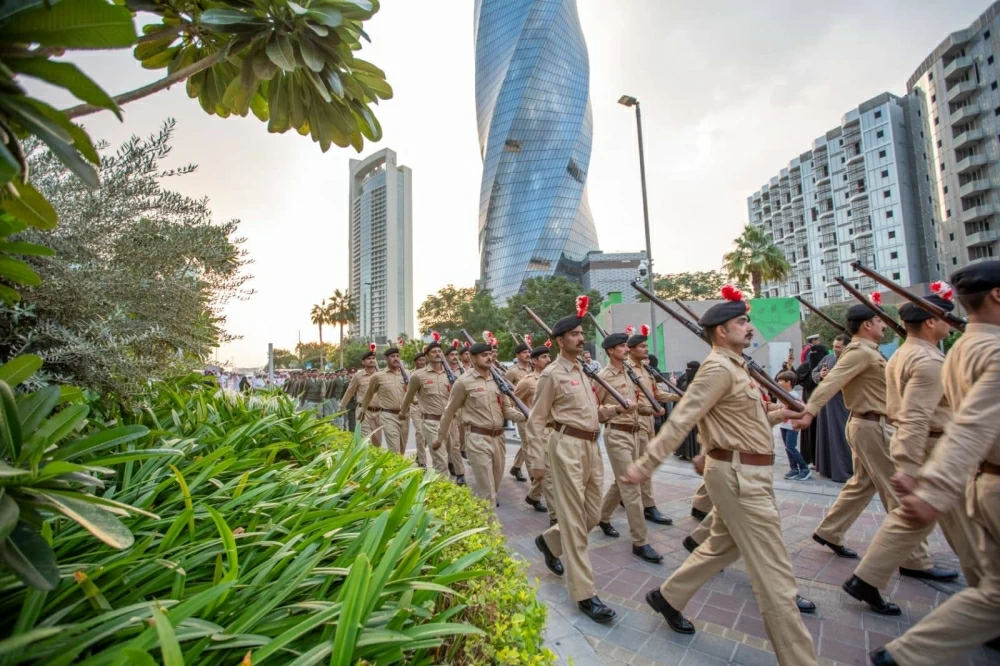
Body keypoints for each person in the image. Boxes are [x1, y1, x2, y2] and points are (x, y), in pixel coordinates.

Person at [620, 286, 818, 664]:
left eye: (748, 319)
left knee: (721, 546)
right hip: (739, 477)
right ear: (721, 331)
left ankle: (669, 596)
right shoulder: (716, 368)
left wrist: (782, 414)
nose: (749, 326)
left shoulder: (737, 367)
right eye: (741, 321)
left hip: (746, 473)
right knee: (775, 577)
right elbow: (683, 419)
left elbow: (744, 420)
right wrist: (644, 465)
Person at [871, 261, 1000, 666]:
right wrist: (918, 472)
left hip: (964, 465)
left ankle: (904, 651)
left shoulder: (960, 348)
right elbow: (965, 424)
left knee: (993, 591)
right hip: (948, 455)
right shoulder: (953, 354)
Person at [842, 289, 979, 617]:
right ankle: (987, 598)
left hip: (919, 442)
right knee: (968, 526)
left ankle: (867, 578)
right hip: (930, 444)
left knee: (915, 518)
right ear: (931, 321)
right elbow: (917, 415)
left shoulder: (904, 353)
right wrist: (907, 463)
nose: (950, 323)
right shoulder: (929, 360)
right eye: (944, 317)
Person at [791, 306, 952, 583]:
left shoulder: (869, 351)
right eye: (879, 321)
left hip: (870, 425)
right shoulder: (860, 352)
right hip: (872, 426)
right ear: (867, 325)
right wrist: (810, 411)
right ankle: (915, 560)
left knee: (862, 485)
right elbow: (833, 382)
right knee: (898, 493)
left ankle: (830, 531)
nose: (884, 326)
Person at [532, 296, 618, 623]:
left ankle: (549, 541)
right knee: (573, 520)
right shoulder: (551, 375)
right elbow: (537, 419)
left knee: (592, 515)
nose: (581, 339)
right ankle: (585, 593)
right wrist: (537, 460)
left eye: (582, 334)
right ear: (559, 341)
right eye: (574, 335)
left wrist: (611, 410)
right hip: (565, 446)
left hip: (592, 448)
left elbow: (588, 412)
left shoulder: (583, 370)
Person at [594, 330, 664, 563]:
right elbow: (595, 412)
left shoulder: (631, 373)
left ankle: (602, 517)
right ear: (611, 350)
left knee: (622, 481)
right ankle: (640, 541)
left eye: (627, 346)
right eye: (622, 346)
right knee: (632, 489)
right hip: (617, 435)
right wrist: (615, 409)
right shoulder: (603, 377)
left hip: (637, 434)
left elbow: (642, 401)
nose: (627, 349)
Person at [436, 342, 525, 507]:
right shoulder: (463, 382)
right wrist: (439, 438)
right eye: (484, 355)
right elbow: (449, 411)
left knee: (495, 486)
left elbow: (507, 411)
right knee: (487, 492)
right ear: (473, 358)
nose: (489, 357)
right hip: (477, 438)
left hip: (498, 439)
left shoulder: (498, 381)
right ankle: (491, 530)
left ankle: (485, 521)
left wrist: (528, 416)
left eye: (490, 354)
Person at [625, 325, 675, 525]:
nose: (646, 350)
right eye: (642, 347)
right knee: (642, 466)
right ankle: (649, 506)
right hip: (634, 422)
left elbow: (655, 394)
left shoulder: (646, 369)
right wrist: (647, 409)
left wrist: (679, 396)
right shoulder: (626, 370)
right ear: (632, 349)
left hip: (648, 422)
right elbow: (625, 401)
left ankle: (624, 499)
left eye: (646, 346)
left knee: (642, 466)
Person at [401, 337, 460, 482]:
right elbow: (408, 396)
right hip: (431, 423)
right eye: (433, 352)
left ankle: (442, 487)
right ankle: (443, 497)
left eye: (440, 351)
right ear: (426, 356)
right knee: (440, 461)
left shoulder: (451, 376)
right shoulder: (418, 376)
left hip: (451, 423)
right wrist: (403, 411)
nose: (438, 354)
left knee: (452, 454)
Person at [513, 345, 555, 521]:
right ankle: (555, 515)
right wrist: (524, 416)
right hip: (539, 429)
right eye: (544, 357)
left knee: (552, 469)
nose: (548, 360)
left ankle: (533, 495)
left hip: (556, 428)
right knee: (549, 472)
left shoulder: (555, 377)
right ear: (534, 361)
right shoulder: (527, 381)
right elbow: (512, 399)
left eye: (548, 356)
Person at [813, 335, 853, 482]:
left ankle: (845, 470)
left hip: (842, 405)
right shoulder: (827, 359)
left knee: (841, 437)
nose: (835, 349)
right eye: (834, 346)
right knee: (827, 436)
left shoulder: (852, 360)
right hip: (826, 406)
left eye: (838, 347)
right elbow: (814, 373)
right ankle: (828, 468)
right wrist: (820, 375)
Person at [360, 346, 410, 456]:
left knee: (402, 448)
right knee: (394, 449)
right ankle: (395, 470)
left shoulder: (407, 374)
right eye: (392, 356)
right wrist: (363, 409)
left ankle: (399, 469)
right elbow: (368, 394)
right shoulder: (378, 376)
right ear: (386, 359)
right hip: (388, 415)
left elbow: (414, 395)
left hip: (405, 415)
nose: (396, 358)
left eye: (397, 356)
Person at [339, 345, 381, 447]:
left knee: (377, 442)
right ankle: (364, 461)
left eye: (373, 358)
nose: (371, 360)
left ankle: (375, 462)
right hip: (363, 411)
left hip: (379, 412)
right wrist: (341, 407)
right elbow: (349, 392)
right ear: (363, 362)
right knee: (365, 441)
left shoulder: (381, 375)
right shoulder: (358, 376)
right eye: (368, 359)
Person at [794, 345, 827, 466]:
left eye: (816, 353)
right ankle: (810, 459)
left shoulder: (827, 366)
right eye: (811, 353)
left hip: (824, 406)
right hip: (808, 403)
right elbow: (794, 379)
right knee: (809, 432)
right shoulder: (805, 367)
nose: (814, 355)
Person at [505, 342, 533, 484]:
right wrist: (510, 409)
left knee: (530, 442)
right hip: (521, 412)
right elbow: (506, 391)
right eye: (524, 352)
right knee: (528, 443)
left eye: (529, 352)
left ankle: (516, 467)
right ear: (517, 355)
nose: (528, 354)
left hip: (535, 411)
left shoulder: (534, 368)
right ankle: (534, 477)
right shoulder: (512, 371)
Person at [775, 370, 809, 480]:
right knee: (788, 447)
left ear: (789, 382)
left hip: (791, 425)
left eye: (781, 381)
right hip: (783, 425)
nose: (779, 383)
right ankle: (793, 469)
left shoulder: (793, 396)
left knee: (791, 447)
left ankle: (804, 468)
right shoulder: (782, 394)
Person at [674, 361, 701, 461]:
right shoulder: (684, 377)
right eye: (687, 369)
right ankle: (685, 453)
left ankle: (696, 453)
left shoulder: (701, 378)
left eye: (690, 369)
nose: (688, 371)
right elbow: (679, 391)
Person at [410, 352, 427, 468]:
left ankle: (419, 455)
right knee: (420, 433)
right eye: (420, 360)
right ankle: (422, 462)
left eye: (423, 360)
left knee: (427, 434)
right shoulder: (410, 374)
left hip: (428, 407)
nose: (422, 362)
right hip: (415, 406)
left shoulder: (428, 373)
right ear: (415, 362)